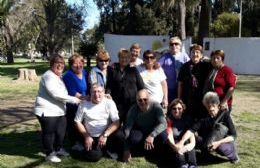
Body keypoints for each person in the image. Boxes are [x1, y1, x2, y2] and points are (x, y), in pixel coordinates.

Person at [34, 54, 81, 163]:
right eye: (57, 63)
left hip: (59, 111)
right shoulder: (48, 76)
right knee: (49, 133)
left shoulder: (58, 76)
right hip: (47, 111)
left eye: (62, 64)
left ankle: (58, 149)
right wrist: (74, 99)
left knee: (61, 132)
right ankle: (49, 153)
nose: (60, 66)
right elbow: (56, 94)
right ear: (51, 65)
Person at [175, 92, 239, 163]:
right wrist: (181, 141)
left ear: (218, 104)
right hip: (207, 140)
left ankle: (233, 156)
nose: (211, 108)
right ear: (205, 106)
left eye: (213, 105)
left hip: (222, 141)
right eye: (208, 106)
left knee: (221, 148)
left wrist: (218, 143)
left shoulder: (225, 115)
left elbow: (234, 135)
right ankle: (203, 153)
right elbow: (191, 130)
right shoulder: (203, 116)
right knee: (191, 137)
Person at [74, 83, 121, 162]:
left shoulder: (109, 102)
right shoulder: (84, 104)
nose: (96, 94)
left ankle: (107, 148)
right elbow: (77, 122)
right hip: (91, 136)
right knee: (94, 157)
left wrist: (105, 135)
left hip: (106, 134)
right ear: (90, 93)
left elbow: (116, 122)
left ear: (104, 92)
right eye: (94, 92)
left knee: (121, 136)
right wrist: (86, 136)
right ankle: (98, 148)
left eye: (99, 91)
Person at [123, 89, 167, 162]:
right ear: (136, 101)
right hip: (141, 131)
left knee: (164, 136)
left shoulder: (156, 106)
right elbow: (127, 129)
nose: (142, 102)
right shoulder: (133, 109)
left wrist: (152, 135)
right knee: (133, 139)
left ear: (149, 98)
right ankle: (145, 151)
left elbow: (164, 123)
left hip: (154, 131)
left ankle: (156, 152)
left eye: (145, 99)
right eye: (139, 100)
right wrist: (126, 149)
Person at [106, 48, 145, 123]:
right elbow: (109, 85)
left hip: (132, 104)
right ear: (119, 58)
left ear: (129, 58)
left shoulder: (134, 70)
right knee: (116, 124)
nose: (124, 59)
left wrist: (141, 100)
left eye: (126, 57)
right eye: (122, 57)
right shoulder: (113, 70)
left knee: (130, 124)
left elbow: (141, 86)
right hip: (117, 104)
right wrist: (108, 93)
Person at [178, 44, 211, 120]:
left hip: (202, 98)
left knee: (201, 120)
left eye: (197, 52)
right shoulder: (184, 67)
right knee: (188, 119)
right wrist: (179, 98)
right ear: (190, 54)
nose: (195, 54)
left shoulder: (206, 66)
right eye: (193, 52)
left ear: (201, 54)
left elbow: (217, 65)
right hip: (188, 98)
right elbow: (180, 84)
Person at [62, 53, 88, 151]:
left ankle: (82, 140)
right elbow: (72, 91)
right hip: (73, 104)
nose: (78, 66)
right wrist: (85, 97)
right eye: (75, 64)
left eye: (80, 63)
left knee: (82, 123)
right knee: (74, 123)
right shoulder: (68, 75)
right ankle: (75, 143)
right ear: (70, 65)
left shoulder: (85, 72)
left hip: (84, 104)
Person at [165, 99, 197, 168]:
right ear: (171, 110)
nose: (177, 111)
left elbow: (191, 136)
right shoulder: (168, 120)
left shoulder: (188, 119)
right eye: (174, 108)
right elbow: (170, 136)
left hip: (185, 140)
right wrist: (175, 147)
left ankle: (192, 164)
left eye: (179, 108)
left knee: (188, 142)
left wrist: (188, 146)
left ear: (183, 109)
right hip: (173, 141)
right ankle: (182, 164)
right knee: (177, 145)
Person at [159, 36, 190, 103]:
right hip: (169, 89)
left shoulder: (185, 56)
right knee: (171, 108)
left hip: (183, 88)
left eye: (176, 44)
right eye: (171, 44)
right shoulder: (165, 57)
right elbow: (156, 67)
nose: (174, 45)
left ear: (180, 45)